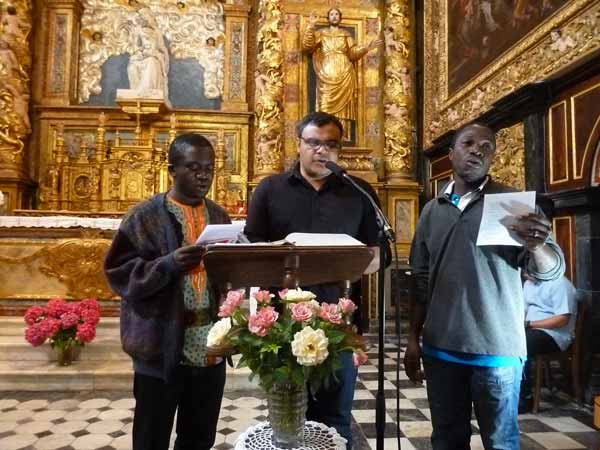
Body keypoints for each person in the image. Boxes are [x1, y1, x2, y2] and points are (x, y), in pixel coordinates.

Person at [406, 123, 565, 450]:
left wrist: (537, 246)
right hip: (440, 347)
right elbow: (420, 279)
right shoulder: (432, 210)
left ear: (492, 157)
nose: (477, 150)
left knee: (501, 442)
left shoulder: (513, 204)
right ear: (451, 153)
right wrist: (412, 338)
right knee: (446, 440)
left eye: (486, 147)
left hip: (496, 350)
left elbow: (552, 270)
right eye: (468, 143)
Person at [244, 111, 384, 449]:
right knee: (288, 419)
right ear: (299, 144)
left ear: (340, 149)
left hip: (339, 326)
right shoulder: (270, 189)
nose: (321, 151)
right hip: (281, 327)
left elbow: (381, 253)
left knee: (336, 419)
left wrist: (354, 263)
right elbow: (251, 248)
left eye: (330, 144)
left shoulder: (359, 192)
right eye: (313, 143)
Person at [104, 134, 231, 450]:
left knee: (199, 438)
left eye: (209, 168)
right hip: (160, 346)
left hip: (209, 347)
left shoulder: (219, 217)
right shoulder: (144, 216)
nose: (203, 176)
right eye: (193, 168)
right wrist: (169, 264)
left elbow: (228, 276)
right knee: (151, 437)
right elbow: (119, 273)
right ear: (172, 169)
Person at [301, 8, 382, 128]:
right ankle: (324, 131)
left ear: (340, 17)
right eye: (332, 14)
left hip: (344, 72)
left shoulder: (345, 34)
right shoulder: (322, 33)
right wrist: (311, 26)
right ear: (328, 18)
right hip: (327, 71)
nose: (334, 16)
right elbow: (307, 47)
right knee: (325, 104)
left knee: (343, 108)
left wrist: (366, 48)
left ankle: (342, 133)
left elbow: (352, 54)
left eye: (336, 14)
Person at [519, 273, 577, 413]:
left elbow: (562, 320)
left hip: (555, 334)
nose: (525, 274)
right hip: (531, 329)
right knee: (509, 338)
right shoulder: (529, 284)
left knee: (521, 343)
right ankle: (508, 393)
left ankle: (525, 397)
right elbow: (523, 310)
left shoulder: (559, 283)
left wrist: (529, 324)